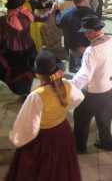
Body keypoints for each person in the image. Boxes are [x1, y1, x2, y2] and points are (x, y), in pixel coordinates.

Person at [6, 50, 84, 181]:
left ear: (37, 74)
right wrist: (62, 111)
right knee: (61, 166)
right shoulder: (66, 84)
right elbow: (78, 98)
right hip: (63, 132)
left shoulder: (37, 96)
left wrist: (17, 138)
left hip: (44, 138)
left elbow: (28, 125)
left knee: (42, 169)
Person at [72, 15, 112, 153]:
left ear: (93, 31)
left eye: (86, 32)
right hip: (111, 86)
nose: (85, 35)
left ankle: (79, 148)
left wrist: (69, 86)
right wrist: (109, 64)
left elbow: (84, 76)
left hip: (95, 93)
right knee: (104, 115)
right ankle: (107, 143)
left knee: (81, 118)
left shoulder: (91, 51)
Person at [0, 0, 36, 96]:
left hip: (13, 52)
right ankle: (28, 91)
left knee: (17, 72)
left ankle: (22, 91)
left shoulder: (2, 21)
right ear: (18, 7)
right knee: (28, 69)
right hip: (29, 48)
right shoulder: (26, 16)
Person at [56, 0, 96, 73]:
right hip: (87, 47)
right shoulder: (91, 12)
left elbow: (58, 23)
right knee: (88, 69)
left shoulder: (66, 13)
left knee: (77, 72)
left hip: (73, 47)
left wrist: (57, 12)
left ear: (73, 0)